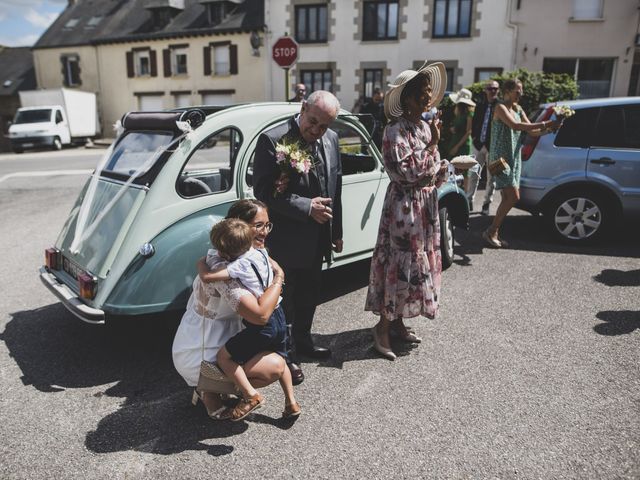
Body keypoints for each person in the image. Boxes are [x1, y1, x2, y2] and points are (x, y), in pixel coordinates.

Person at [253, 90, 343, 385]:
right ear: (303, 108)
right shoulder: (273, 139)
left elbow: (334, 187)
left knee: (310, 294)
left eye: (323, 127)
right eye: (313, 122)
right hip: (287, 240)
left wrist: (336, 231)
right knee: (284, 301)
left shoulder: (330, 140)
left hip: (318, 237)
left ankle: (303, 341)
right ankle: (286, 355)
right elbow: (263, 191)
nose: (316, 131)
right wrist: (306, 208)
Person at [172, 199, 288, 420]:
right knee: (274, 366)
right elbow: (261, 315)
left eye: (267, 225)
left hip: (207, 335)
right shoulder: (227, 273)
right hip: (202, 350)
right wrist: (279, 277)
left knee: (263, 348)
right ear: (239, 228)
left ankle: (214, 389)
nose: (265, 232)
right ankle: (209, 389)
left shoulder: (237, 253)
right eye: (258, 226)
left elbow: (203, 263)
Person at [364, 61, 449, 360]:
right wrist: (435, 146)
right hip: (404, 209)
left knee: (416, 266)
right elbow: (407, 171)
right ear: (406, 99)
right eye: (422, 93)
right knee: (400, 266)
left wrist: (442, 166)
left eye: (428, 92)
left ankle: (398, 322)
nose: (428, 97)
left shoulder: (424, 126)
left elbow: (433, 170)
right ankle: (382, 329)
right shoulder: (393, 130)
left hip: (424, 206)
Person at [203, 218, 300, 421]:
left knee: (224, 357)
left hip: (262, 326)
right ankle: (291, 403)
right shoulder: (260, 253)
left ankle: (250, 395)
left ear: (228, 254)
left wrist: (202, 265)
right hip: (279, 314)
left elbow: (210, 277)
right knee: (282, 358)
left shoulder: (239, 265)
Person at [482, 78, 561, 248]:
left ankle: (494, 232)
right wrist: (548, 122)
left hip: (514, 157)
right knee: (513, 197)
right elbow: (516, 125)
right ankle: (491, 230)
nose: (521, 94)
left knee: (506, 197)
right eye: (518, 91)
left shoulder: (518, 108)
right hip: (501, 159)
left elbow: (532, 130)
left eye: (521, 91)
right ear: (508, 91)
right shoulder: (500, 107)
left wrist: (552, 127)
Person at [469, 80, 500, 215]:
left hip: (492, 147)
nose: (492, 91)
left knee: (491, 178)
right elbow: (475, 123)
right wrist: (475, 138)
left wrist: (491, 145)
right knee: (473, 174)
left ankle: (486, 204)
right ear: (485, 90)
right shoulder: (480, 106)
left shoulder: (500, 106)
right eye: (490, 88)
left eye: (495, 89)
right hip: (477, 145)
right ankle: (469, 200)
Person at [446, 88, 476, 200]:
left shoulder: (470, 113)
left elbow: (468, 132)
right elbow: (458, 126)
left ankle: (466, 198)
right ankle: (452, 193)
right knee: (452, 167)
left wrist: (457, 147)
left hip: (463, 144)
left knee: (466, 170)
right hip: (455, 140)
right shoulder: (458, 110)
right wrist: (453, 129)